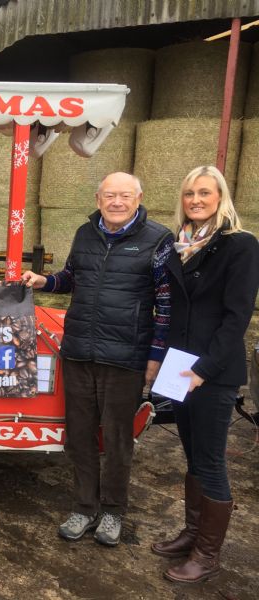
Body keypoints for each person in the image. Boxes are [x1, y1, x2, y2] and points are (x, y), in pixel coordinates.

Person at [22, 172, 173, 546]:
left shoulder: (159, 240)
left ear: (139, 198)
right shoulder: (85, 233)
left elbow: (167, 305)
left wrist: (155, 358)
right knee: (79, 436)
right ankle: (84, 507)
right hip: (80, 352)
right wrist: (45, 282)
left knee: (119, 439)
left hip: (126, 356)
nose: (117, 202)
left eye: (125, 195)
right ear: (98, 198)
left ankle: (113, 512)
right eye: (109, 195)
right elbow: (73, 278)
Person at [151, 166, 259, 583]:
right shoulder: (180, 245)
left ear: (221, 197)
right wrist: (165, 361)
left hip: (211, 370)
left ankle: (207, 555)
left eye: (204, 193)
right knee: (192, 454)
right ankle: (193, 533)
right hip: (180, 366)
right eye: (189, 194)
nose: (195, 200)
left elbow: (237, 318)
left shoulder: (239, 246)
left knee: (212, 461)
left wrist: (203, 369)